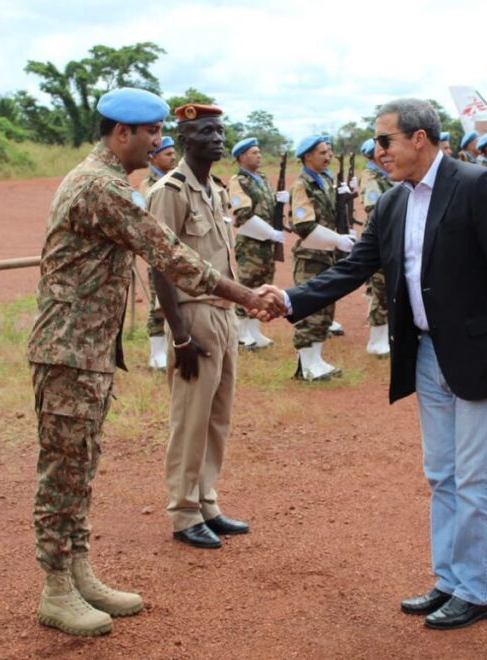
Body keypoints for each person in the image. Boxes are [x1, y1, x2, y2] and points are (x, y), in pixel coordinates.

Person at [259, 98, 487, 630]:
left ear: (419, 138)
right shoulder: (391, 204)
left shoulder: (477, 185)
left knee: (476, 479)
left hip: (478, 356)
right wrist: (290, 300)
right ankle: (450, 580)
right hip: (427, 354)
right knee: (442, 475)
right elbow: (354, 268)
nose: (378, 151)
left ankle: (477, 590)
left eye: (384, 140)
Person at [27, 88, 278, 637]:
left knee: (82, 466)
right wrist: (248, 297)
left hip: (86, 348)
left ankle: (78, 572)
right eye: (152, 132)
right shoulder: (101, 188)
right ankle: (56, 587)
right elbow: (171, 256)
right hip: (69, 350)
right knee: (63, 472)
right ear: (122, 133)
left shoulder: (114, 183)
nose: (159, 141)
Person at [146, 104, 252, 550]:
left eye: (220, 130)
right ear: (184, 139)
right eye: (206, 131)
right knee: (190, 417)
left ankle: (206, 500)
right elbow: (158, 266)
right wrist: (179, 334)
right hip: (193, 315)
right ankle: (183, 511)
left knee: (217, 416)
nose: (217, 138)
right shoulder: (169, 191)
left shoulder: (218, 190)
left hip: (223, 314)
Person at [287, 134, 352, 380]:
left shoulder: (325, 179)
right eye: (323, 153)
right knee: (309, 309)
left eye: (329, 151)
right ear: (308, 156)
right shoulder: (302, 184)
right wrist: (338, 240)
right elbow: (304, 226)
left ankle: (316, 360)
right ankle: (306, 365)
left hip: (328, 255)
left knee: (325, 309)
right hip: (311, 256)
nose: (329, 156)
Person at [227, 136, 287, 350]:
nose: (259, 155)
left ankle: (253, 330)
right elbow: (242, 213)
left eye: (259, 151)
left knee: (263, 285)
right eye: (254, 152)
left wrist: (279, 200)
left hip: (266, 244)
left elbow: (268, 206)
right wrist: (270, 233)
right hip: (251, 243)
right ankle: (241, 333)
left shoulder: (261, 177)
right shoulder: (238, 181)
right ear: (242, 157)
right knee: (247, 285)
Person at [140, 135, 178, 369]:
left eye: (174, 153)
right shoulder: (149, 184)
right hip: (159, 250)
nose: (173, 157)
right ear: (154, 156)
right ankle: (156, 353)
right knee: (158, 301)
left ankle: (169, 347)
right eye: (168, 153)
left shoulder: (173, 179)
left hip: (175, 248)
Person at [358, 137, 395, 356]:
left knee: (387, 289)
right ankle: (376, 339)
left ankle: (384, 336)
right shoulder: (371, 177)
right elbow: (374, 208)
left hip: (390, 238)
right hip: (381, 240)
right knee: (380, 290)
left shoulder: (385, 176)